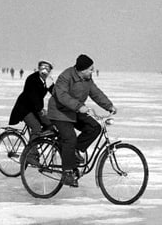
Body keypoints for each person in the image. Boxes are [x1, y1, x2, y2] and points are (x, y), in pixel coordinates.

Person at [47, 54, 117, 187]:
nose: (92, 71)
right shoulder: (66, 76)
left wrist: (109, 105)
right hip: (59, 112)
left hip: (74, 111)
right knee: (70, 138)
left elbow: (96, 93)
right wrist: (80, 107)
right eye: (90, 69)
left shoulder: (87, 79)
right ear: (82, 69)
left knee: (94, 127)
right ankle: (67, 173)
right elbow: (61, 96)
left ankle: (75, 151)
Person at [8, 60, 55, 141]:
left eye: (47, 68)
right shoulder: (32, 79)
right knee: (36, 127)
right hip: (24, 108)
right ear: (39, 68)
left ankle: (39, 140)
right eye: (42, 67)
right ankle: (31, 152)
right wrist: (40, 109)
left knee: (50, 124)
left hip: (35, 108)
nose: (44, 70)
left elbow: (55, 93)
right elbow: (33, 96)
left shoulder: (48, 80)